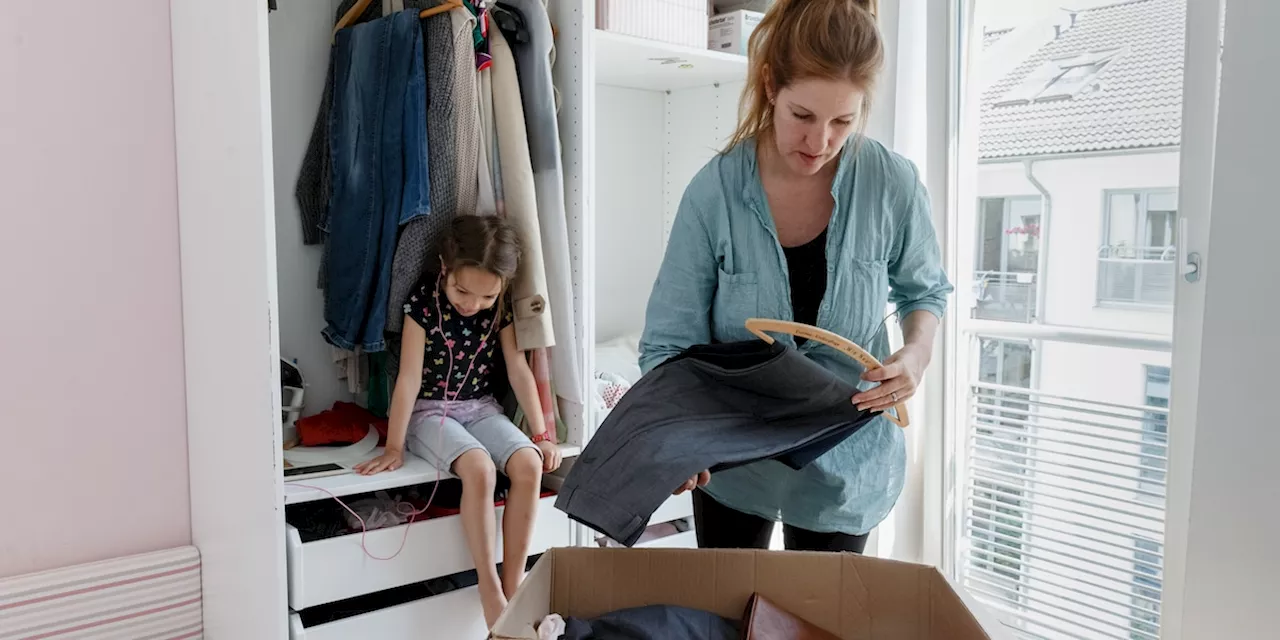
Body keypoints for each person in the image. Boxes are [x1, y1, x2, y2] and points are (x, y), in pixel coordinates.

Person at [639, 0, 953, 554]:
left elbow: (923, 290)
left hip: (848, 464)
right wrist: (679, 440)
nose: (820, 142)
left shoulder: (892, 182)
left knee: (820, 625)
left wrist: (916, 356)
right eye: (802, 116)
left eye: (843, 121)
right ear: (769, 88)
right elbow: (669, 344)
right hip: (732, 461)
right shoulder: (714, 192)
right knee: (729, 619)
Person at [354, 215, 563, 625]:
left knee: (529, 463)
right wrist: (394, 446)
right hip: (429, 410)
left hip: (480, 406)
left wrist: (542, 433)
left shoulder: (499, 306)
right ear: (445, 268)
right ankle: (488, 588)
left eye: (485, 298)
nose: (471, 305)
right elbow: (409, 377)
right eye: (462, 291)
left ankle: (513, 582)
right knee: (480, 469)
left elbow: (518, 369)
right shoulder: (423, 302)